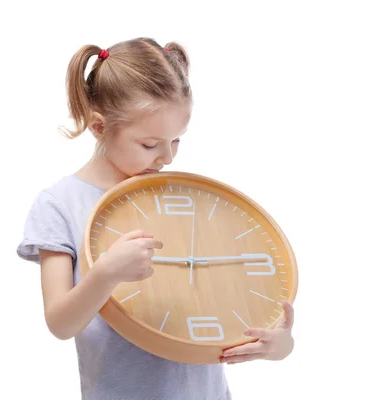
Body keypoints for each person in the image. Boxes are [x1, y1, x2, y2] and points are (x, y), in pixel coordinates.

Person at [16, 37, 295, 400]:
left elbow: (225, 292)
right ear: (99, 127)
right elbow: (60, 322)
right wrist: (105, 273)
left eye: (177, 140)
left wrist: (279, 345)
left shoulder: (182, 196)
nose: (167, 157)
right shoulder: (61, 203)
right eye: (150, 144)